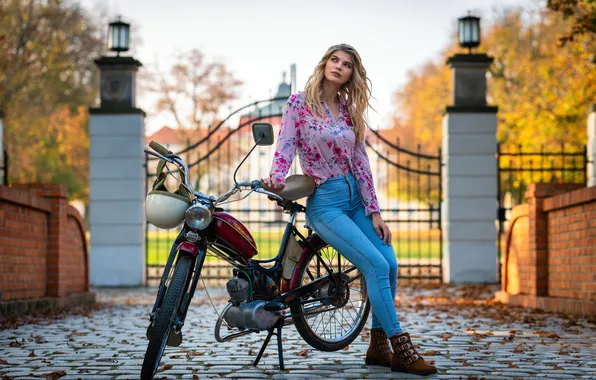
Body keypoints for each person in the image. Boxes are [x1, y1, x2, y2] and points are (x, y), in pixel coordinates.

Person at [261, 44, 437, 375]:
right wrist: (276, 179)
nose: (339, 67)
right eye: (335, 60)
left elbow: (362, 163)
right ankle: (402, 348)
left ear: (352, 74)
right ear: (325, 64)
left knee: (390, 264)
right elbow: (284, 146)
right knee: (373, 264)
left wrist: (375, 211)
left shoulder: (348, 111)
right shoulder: (299, 105)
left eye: (347, 64)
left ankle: (378, 346)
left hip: (357, 200)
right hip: (326, 204)